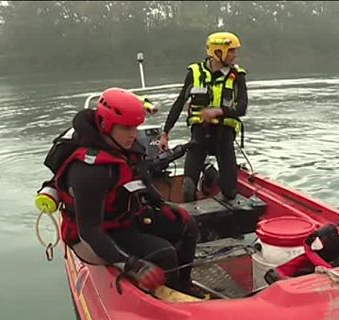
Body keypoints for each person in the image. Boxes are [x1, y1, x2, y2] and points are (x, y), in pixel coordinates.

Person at [40, 88, 201, 296]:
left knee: (187, 224)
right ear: (106, 125)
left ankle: (182, 286)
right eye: (126, 128)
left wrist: (162, 205)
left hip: (124, 216)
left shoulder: (125, 147)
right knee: (164, 252)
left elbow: (139, 175)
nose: (133, 134)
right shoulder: (90, 170)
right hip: (97, 231)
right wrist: (133, 265)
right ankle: (164, 299)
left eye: (135, 127)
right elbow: (89, 231)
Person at [159, 31, 248, 202]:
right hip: (200, 133)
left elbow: (242, 108)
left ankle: (209, 174)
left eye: (235, 51)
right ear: (217, 52)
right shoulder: (195, 72)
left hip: (224, 134)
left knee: (230, 192)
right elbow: (179, 102)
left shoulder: (238, 76)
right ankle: (203, 174)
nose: (235, 55)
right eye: (231, 51)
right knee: (187, 189)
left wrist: (218, 111)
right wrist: (165, 133)